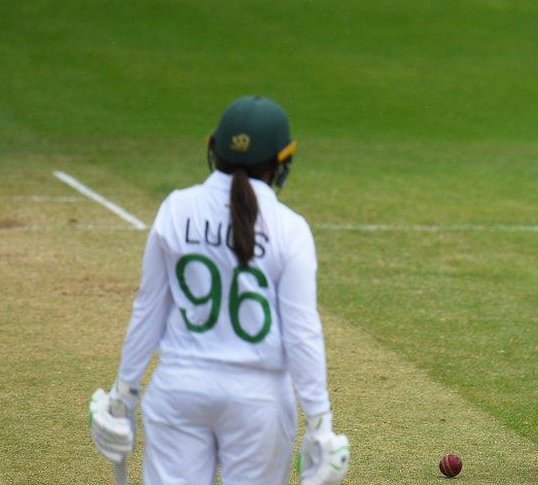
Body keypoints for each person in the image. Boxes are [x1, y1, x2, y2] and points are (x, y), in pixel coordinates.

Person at [88, 95, 350, 485]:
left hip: (179, 390)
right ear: (282, 163)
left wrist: (123, 393)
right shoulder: (290, 228)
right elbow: (302, 331)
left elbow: (148, 309)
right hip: (258, 401)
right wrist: (319, 419)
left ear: (214, 150)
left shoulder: (176, 209)